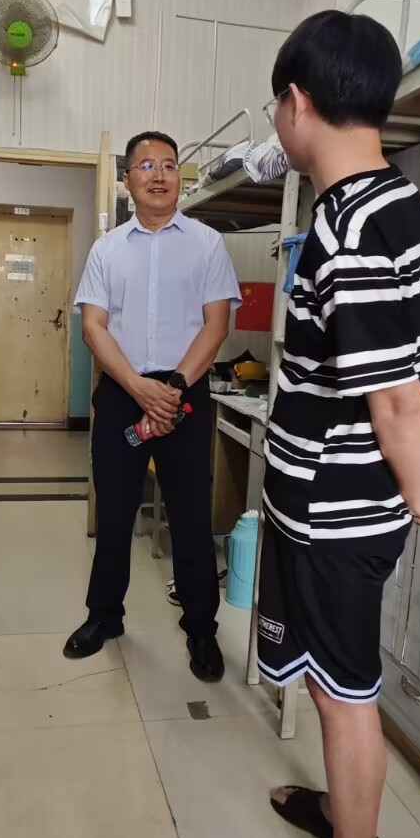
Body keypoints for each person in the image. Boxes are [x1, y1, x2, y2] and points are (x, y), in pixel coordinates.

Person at [244, 12, 420, 838]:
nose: (276, 125)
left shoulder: (351, 227)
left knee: (345, 693)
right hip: (337, 497)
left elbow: (396, 396)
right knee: (330, 678)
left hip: (335, 510)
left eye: (277, 107)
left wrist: (419, 492)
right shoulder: (389, 201)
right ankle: (345, 814)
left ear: (298, 103)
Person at [65, 130, 241, 683]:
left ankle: (201, 627)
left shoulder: (207, 244)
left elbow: (217, 325)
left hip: (185, 393)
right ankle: (104, 616)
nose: (159, 175)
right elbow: (94, 328)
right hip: (123, 392)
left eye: (168, 165)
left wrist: (174, 387)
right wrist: (140, 389)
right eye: (146, 166)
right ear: (127, 180)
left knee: (190, 517)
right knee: (115, 512)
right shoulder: (107, 249)